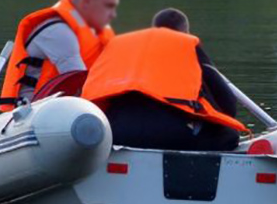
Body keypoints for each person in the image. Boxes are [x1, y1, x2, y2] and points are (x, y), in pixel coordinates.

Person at [82, 8, 248, 151]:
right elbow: (227, 103)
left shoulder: (119, 46)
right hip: (172, 135)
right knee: (229, 134)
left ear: (154, 28)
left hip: (116, 133)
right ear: (185, 33)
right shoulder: (187, 45)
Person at [0, 0, 121, 112]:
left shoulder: (97, 32)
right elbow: (78, 81)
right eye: (108, 6)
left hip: (62, 109)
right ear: (86, 1)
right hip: (32, 112)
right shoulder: (58, 31)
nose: (113, 14)